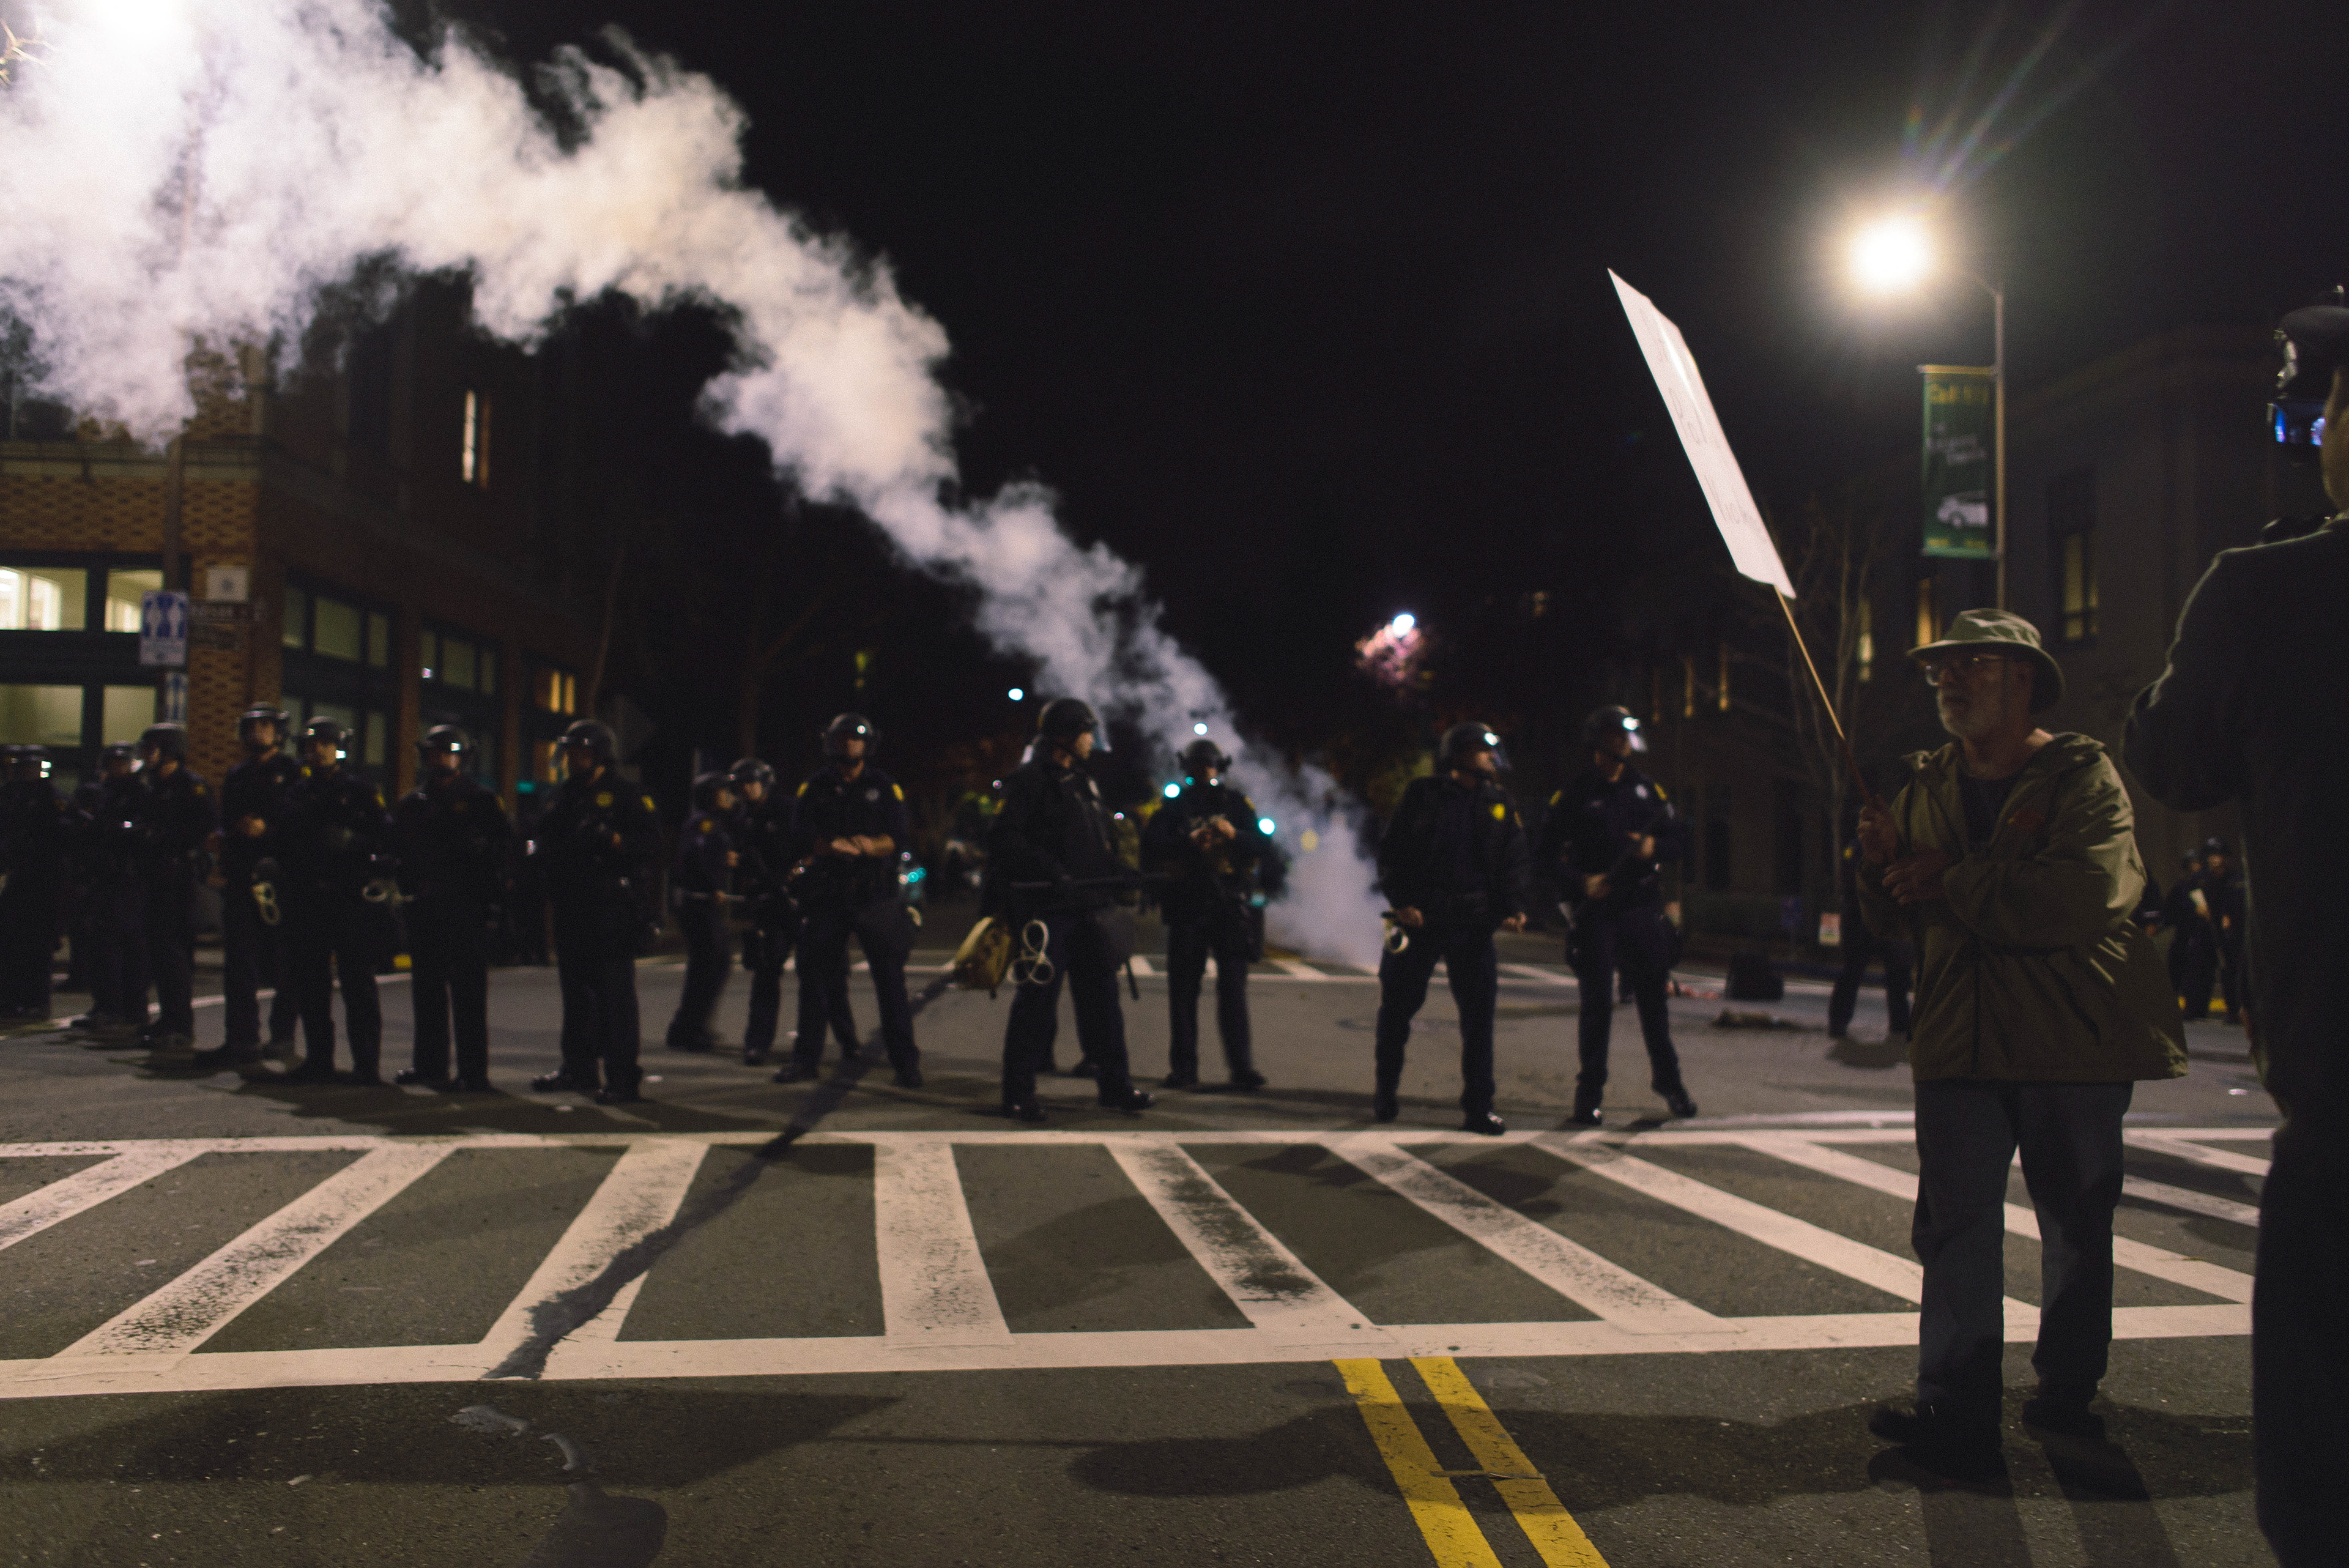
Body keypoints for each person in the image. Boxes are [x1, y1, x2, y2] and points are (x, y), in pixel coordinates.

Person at [2123, 297, 2349, 1567]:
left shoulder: (2273, 591)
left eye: (2328, 412)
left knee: (2322, 1475)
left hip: (2342, 1100)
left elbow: (2171, 753)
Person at [1855, 608, 2184, 1481]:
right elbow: (1895, 912)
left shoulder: (2082, 775)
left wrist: (1952, 877)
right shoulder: (1925, 782)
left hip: (2069, 1038)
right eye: (1942, 668)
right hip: (1958, 1037)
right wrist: (1877, 862)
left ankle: (2067, 1386)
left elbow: (2086, 893)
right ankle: (1955, 1404)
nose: (1950, 680)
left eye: (1973, 664)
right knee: (1953, 1225)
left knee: (2075, 1218)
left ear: (2025, 679)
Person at [987, 697, 1152, 1122]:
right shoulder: (1026, 782)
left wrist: (1121, 873)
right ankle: (1018, 1093)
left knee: (1103, 1004)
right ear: (1065, 735)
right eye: (1086, 732)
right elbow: (1007, 842)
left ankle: (1115, 1086)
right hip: (1048, 911)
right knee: (1036, 1004)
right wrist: (1052, 871)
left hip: (1089, 909)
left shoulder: (1084, 782)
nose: (1091, 740)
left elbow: (1096, 844)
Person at [1373, 721, 1530, 1135]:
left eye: (1492, 750)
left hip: (1473, 923)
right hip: (1422, 918)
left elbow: (1514, 858)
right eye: (1482, 749)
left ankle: (1479, 1107)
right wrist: (1402, 902)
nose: (1491, 757)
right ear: (1458, 754)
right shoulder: (1423, 795)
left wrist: (1512, 906)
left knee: (1479, 1020)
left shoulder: (1499, 802)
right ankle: (1386, 1090)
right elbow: (1392, 851)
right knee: (1398, 1007)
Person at [1540, 707, 1696, 1124]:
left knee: (1653, 1002)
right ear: (1599, 741)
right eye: (1616, 736)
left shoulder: (1647, 790)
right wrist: (1581, 881)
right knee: (1596, 1004)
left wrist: (1654, 848)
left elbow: (1681, 841)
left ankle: (1669, 1082)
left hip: (1640, 906)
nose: (1624, 744)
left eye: (1627, 737)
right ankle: (1589, 1093)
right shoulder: (1575, 794)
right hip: (1598, 911)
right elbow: (1545, 855)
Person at [777, 715, 922, 1088]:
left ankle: (906, 1064)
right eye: (842, 738)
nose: (849, 744)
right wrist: (830, 845)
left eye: (856, 738)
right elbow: (799, 834)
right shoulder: (815, 787)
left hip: (874, 895)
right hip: (828, 894)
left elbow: (899, 837)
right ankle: (805, 1061)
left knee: (890, 981)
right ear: (830, 742)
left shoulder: (884, 786)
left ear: (868, 744)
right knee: (815, 980)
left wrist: (871, 845)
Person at [530, 719, 661, 1105]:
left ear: (601, 755)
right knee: (576, 995)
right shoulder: (562, 796)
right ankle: (579, 1068)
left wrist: (612, 838)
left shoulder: (626, 794)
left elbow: (651, 846)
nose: (574, 760)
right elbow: (545, 843)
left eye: (582, 753)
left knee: (614, 996)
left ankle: (623, 1077)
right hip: (572, 906)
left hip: (612, 907)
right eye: (570, 753)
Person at [1141, 737, 1269, 1091]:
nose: (1204, 771)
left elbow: (1263, 843)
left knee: (1234, 991)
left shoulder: (1236, 803)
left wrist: (1234, 834)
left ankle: (1242, 1068)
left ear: (1219, 767)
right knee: (1183, 993)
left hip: (1229, 906)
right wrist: (1189, 841)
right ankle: (1184, 1069)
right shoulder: (1174, 806)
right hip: (1188, 906)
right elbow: (1152, 847)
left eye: (1209, 765)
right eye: (1198, 765)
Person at [392, 726, 511, 1092]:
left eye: (449, 752)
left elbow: (505, 854)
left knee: (468, 996)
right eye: (436, 752)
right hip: (425, 908)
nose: (442, 759)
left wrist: (493, 905)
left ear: (463, 758)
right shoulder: (413, 803)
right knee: (427, 992)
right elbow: (398, 851)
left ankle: (473, 1073)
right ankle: (430, 1067)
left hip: (466, 910)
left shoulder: (482, 801)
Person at [277, 719, 395, 1085]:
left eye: (326, 744)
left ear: (339, 748)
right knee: (312, 984)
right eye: (312, 745)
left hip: (349, 897)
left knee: (357, 982)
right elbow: (285, 839)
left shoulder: (360, 790)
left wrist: (352, 843)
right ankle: (319, 1060)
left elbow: (384, 837)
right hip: (309, 897)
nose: (318, 750)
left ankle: (366, 1065)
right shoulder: (297, 792)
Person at [198, 706, 303, 1068]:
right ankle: (241, 1039)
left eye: (265, 726)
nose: (258, 732)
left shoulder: (292, 772)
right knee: (240, 963)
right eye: (251, 727)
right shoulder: (237, 774)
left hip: (279, 879)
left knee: (284, 960)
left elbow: (299, 823)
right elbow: (226, 818)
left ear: (279, 732)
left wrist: (268, 831)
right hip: (242, 877)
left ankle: (283, 1036)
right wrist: (221, 837)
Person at [134, 723, 217, 1057]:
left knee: (175, 954)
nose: (146, 755)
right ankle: (168, 1019)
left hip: (178, 878)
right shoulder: (152, 785)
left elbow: (202, 828)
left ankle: (181, 1026)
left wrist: (163, 838)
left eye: (151, 749)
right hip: (154, 876)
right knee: (158, 952)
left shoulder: (190, 787)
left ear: (169, 751)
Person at [65, 745, 146, 1038]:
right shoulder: (103, 793)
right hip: (102, 877)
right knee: (101, 944)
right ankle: (106, 1005)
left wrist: (118, 830)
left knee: (127, 946)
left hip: (128, 879)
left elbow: (137, 832)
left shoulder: (139, 793)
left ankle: (129, 1009)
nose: (116, 768)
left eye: (121, 763)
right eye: (112, 763)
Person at [729, 756, 801, 1066]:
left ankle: (840, 1041)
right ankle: (757, 1042)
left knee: (819, 973)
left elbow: (804, 846)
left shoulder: (786, 809)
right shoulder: (742, 817)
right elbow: (741, 859)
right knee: (766, 972)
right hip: (767, 903)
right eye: (741, 785)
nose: (746, 789)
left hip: (797, 897)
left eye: (751, 782)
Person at [664, 771, 739, 1054]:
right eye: (723, 791)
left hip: (702, 902)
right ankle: (690, 1028)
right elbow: (695, 858)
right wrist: (712, 883)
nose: (728, 796)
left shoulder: (711, 823)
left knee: (710, 965)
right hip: (698, 903)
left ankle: (691, 1026)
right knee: (711, 965)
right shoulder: (703, 824)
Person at [0, 746, 66, 1022]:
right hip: (16, 878)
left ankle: (37, 1001)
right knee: (11, 943)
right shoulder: (10, 796)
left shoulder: (51, 798)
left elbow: (59, 840)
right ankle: (10, 1000)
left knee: (38, 944)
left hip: (42, 881)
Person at [1827, 832, 1913, 1043]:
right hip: (1870, 919)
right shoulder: (1873, 847)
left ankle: (1841, 1022)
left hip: (1872, 919)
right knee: (1885, 975)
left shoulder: (1862, 846)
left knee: (1867, 973)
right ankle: (1899, 1024)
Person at [2162, 849, 2217, 1018]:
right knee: (2181, 972)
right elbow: (2171, 910)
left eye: (2198, 864)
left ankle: (2198, 1008)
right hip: (2185, 934)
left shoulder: (2211, 884)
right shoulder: (2182, 887)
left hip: (2204, 935)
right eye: (2192, 864)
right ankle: (2184, 1007)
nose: (2196, 867)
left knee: (2202, 974)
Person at [2202, 838, 2249, 1025]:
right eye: (2212, 855)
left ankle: (2241, 1009)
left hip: (2234, 933)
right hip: (2215, 933)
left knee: (2237, 971)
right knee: (2224, 972)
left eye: (2218, 855)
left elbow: (2238, 905)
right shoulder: (2206, 881)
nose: (2215, 859)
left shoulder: (2235, 880)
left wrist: (2229, 918)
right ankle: (2232, 1009)